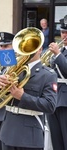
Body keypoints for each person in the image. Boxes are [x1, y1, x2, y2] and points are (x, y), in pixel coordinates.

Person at [0, 28, 58, 150]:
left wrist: (22, 96)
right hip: (7, 132)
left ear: (40, 49)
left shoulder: (48, 74)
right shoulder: (13, 69)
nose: (28, 51)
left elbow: (50, 106)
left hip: (29, 136)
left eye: (32, 47)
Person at [47, 15, 67, 150]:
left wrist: (58, 55)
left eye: (66, 32)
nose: (64, 35)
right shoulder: (62, 51)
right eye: (63, 32)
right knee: (56, 141)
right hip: (54, 98)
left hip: (65, 101)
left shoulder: (60, 52)